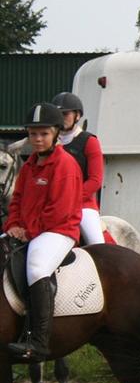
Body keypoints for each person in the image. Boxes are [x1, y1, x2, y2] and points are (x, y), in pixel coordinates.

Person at [3, 103, 83, 360]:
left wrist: (29, 231)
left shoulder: (65, 165)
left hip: (58, 231)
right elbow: (16, 200)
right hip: (29, 230)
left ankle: (38, 341)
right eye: (33, 134)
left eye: (44, 134)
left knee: (37, 267)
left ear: (56, 133)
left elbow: (59, 209)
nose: (38, 139)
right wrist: (12, 225)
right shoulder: (29, 166)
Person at [52, 91, 109, 246]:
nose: (61, 118)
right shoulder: (48, 143)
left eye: (65, 114)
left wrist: (69, 198)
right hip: (52, 204)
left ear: (77, 116)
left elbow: (95, 180)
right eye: (58, 114)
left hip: (82, 205)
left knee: (96, 242)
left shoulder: (89, 141)